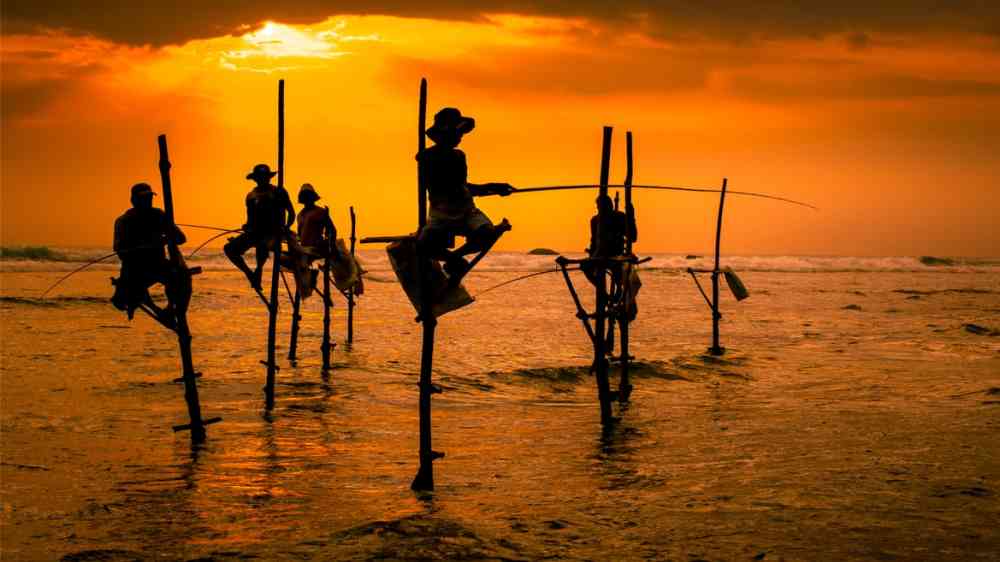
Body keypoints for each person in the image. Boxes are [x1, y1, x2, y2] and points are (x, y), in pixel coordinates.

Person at [416, 107, 515, 280]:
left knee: (486, 234)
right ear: (444, 135)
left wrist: (493, 188)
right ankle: (453, 259)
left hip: (466, 210)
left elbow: (461, 187)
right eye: (457, 133)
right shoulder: (427, 158)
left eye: (461, 133)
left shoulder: (459, 156)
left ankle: (454, 257)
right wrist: (491, 188)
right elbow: (446, 186)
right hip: (441, 213)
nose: (460, 137)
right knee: (424, 246)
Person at [111, 182, 186, 322]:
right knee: (125, 296)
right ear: (134, 200)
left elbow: (181, 238)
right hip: (134, 268)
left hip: (159, 264)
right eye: (143, 199)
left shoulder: (159, 215)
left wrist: (165, 239)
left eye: (149, 198)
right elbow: (120, 251)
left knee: (180, 277)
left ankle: (170, 308)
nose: (147, 201)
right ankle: (156, 309)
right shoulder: (124, 221)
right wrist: (142, 247)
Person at [224, 163, 295, 290]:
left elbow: (291, 212)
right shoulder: (251, 196)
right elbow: (249, 219)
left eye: (264, 177)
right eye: (259, 177)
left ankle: (258, 269)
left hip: (274, 233)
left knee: (262, 245)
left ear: (269, 177)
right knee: (229, 249)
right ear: (255, 179)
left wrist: (286, 226)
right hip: (254, 233)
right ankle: (250, 274)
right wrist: (246, 226)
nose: (262, 179)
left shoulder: (278, 191)